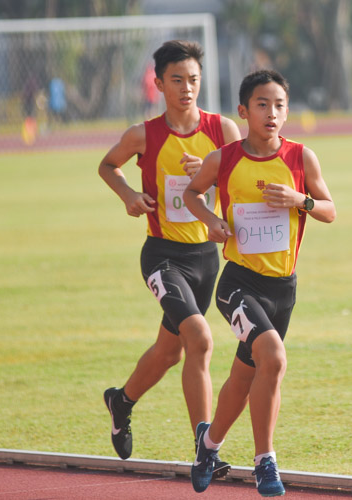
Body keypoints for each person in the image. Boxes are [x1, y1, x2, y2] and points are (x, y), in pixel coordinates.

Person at [183, 69, 336, 497]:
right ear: (244, 111)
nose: (271, 113)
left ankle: (207, 448)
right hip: (237, 284)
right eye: (262, 105)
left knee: (245, 375)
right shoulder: (224, 159)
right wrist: (211, 220)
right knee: (274, 358)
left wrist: (298, 200)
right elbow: (193, 194)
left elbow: (329, 210)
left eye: (280, 105)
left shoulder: (302, 158)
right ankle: (264, 461)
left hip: (282, 289)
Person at [98, 40, 241, 473]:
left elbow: (243, 178)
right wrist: (127, 195)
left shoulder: (223, 131)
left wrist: (213, 172)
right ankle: (206, 449)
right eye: (176, 80)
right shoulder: (144, 134)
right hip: (162, 255)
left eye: (194, 79)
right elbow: (108, 165)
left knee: (169, 353)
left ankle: (120, 402)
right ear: (158, 83)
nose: (186, 88)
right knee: (199, 339)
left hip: (205, 259)